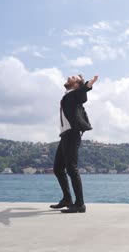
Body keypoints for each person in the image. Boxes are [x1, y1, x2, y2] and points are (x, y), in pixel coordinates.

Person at [50, 74, 98, 213]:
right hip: (65, 135)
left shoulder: (76, 95)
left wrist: (89, 84)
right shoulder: (68, 96)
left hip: (72, 135)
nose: (69, 77)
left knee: (71, 168)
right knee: (58, 169)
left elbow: (83, 92)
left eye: (73, 77)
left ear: (77, 85)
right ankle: (67, 199)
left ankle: (80, 204)